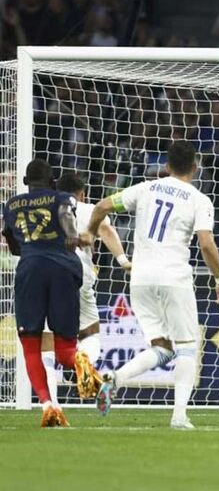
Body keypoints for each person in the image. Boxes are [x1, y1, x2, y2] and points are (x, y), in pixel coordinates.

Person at [86, 141, 219, 429]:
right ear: (195, 167)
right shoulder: (199, 199)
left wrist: (90, 232)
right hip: (173, 278)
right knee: (188, 347)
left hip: (140, 279)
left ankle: (116, 379)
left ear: (166, 166)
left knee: (163, 347)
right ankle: (179, 416)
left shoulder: (144, 188)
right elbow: (206, 244)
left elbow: (102, 205)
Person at [1, 159, 101, 427]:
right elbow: (70, 230)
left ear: (25, 182)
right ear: (53, 180)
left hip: (30, 271)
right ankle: (80, 359)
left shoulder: (11, 206)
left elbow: (13, 247)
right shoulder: (62, 198)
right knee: (65, 346)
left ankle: (48, 406)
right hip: (63, 270)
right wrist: (77, 238)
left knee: (31, 344)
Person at [39, 172, 131, 410]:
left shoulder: (44, 209)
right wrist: (122, 260)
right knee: (90, 333)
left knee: (47, 344)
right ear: (82, 194)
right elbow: (107, 232)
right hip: (79, 272)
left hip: (45, 272)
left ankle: (52, 407)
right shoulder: (90, 209)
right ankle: (84, 360)